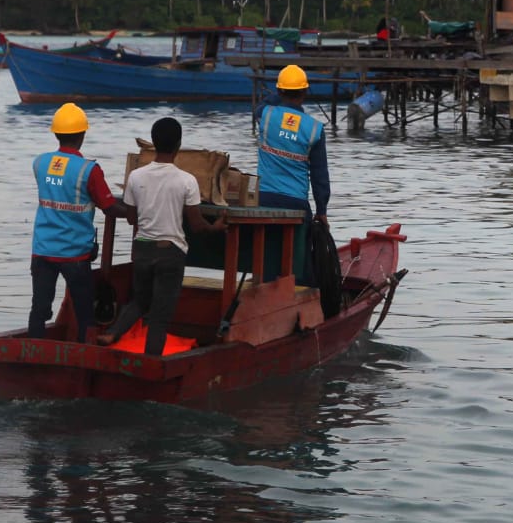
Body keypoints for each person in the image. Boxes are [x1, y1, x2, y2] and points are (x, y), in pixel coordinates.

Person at [102, 117, 228, 356]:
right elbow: (197, 225)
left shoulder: (136, 176)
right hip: (170, 252)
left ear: (154, 142)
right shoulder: (186, 180)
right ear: (178, 145)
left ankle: (113, 332)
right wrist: (216, 227)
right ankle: (151, 364)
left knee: (140, 302)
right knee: (160, 316)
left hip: (142, 249)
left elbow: (131, 218)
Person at [29, 103, 133, 342]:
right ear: (82, 135)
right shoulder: (89, 170)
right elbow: (109, 207)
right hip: (74, 253)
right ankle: (84, 352)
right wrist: (135, 213)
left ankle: (33, 352)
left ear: (56, 133)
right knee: (85, 312)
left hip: (43, 249)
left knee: (39, 309)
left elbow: (56, 188)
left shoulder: (40, 163)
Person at [255, 64, 330, 224]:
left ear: (279, 91)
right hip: (296, 203)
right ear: (305, 92)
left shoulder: (265, 115)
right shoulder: (315, 129)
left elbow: (261, 105)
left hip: (264, 199)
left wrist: (280, 93)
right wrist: (321, 211)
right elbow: (320, 176)